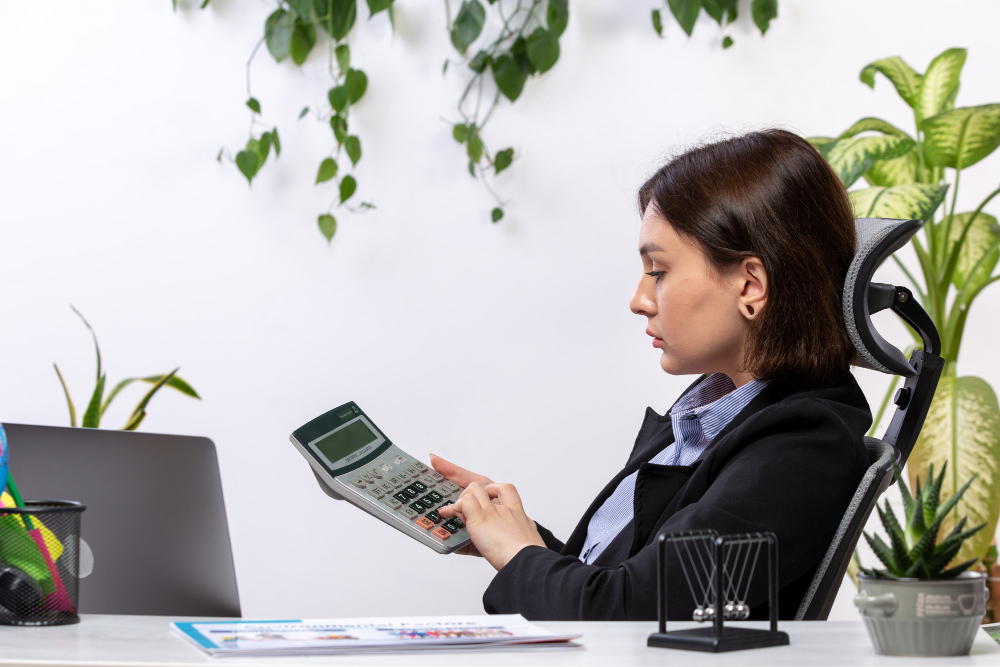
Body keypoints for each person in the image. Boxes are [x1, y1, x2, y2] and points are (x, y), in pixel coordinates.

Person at [434, 129, 872, 621]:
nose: (639, 300)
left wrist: (518, 555)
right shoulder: (714, 412)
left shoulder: (802, 450)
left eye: (658, 272)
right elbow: (629, 582)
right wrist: (512, 534)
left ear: (751, 285)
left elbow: (629, 619)